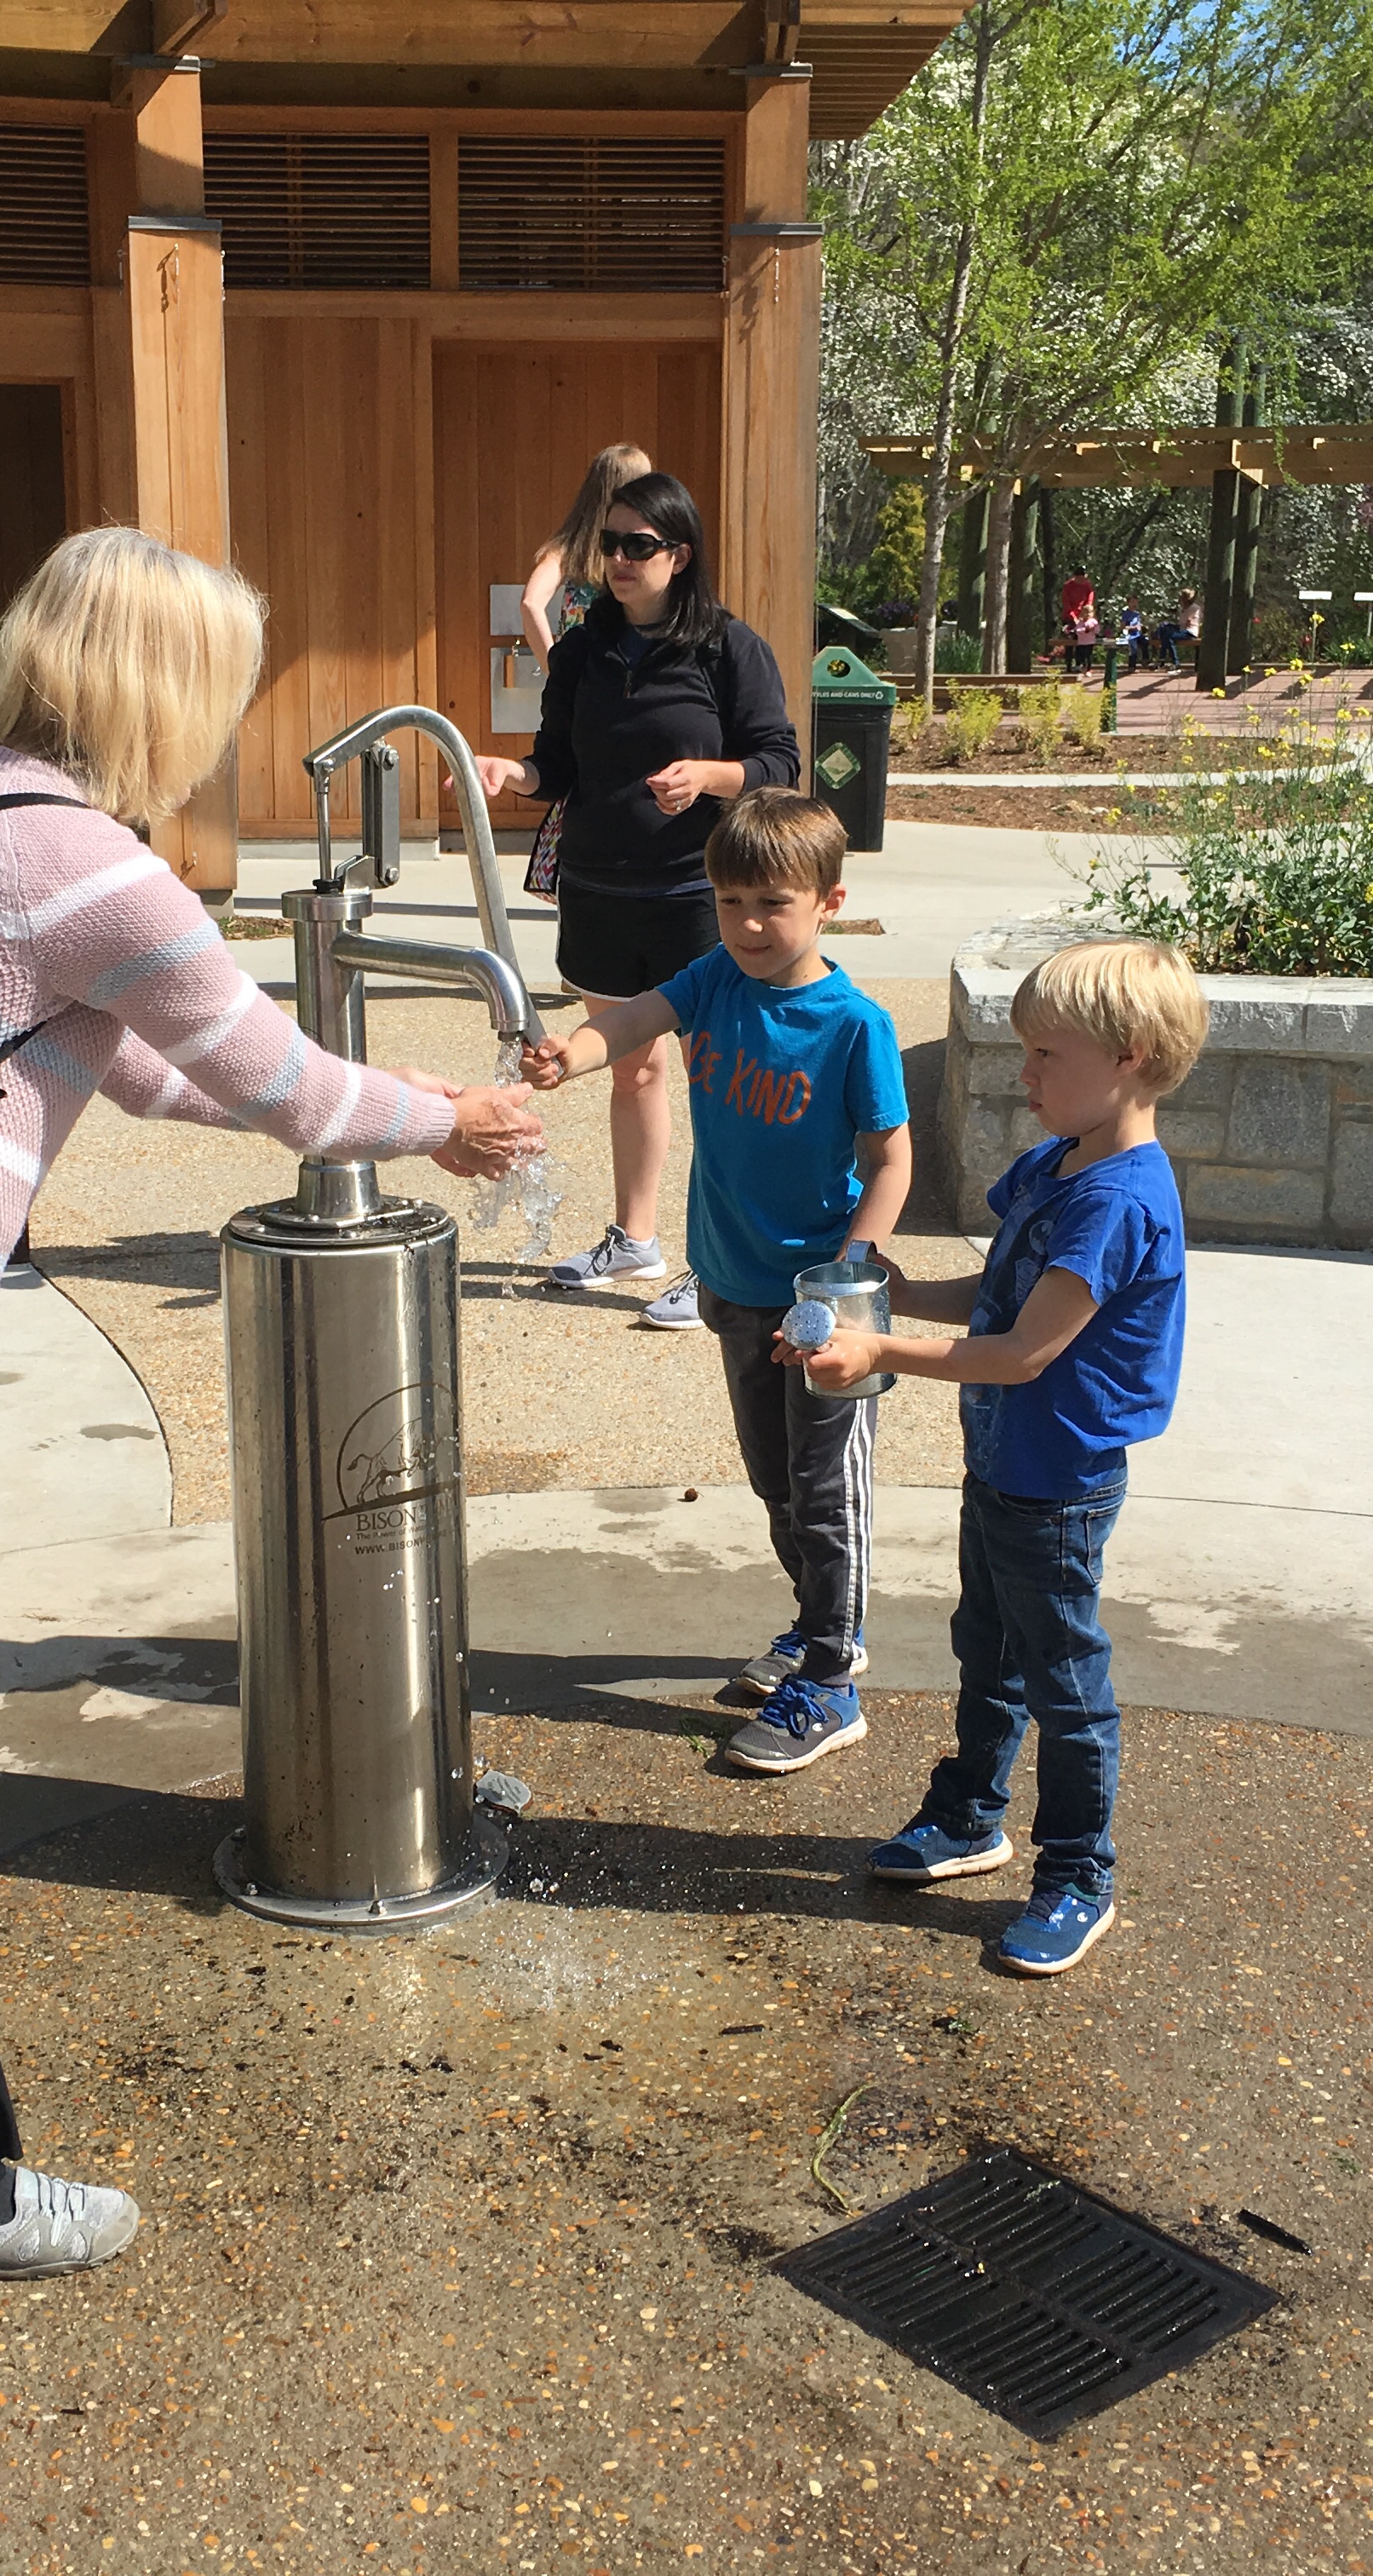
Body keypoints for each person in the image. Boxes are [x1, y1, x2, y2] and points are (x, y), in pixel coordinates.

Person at [0, 527, 541, 2287]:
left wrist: (358, 1101)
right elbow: (263, 1071)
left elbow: (139, 1065)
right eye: (217, 684)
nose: (222, 722)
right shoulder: (87, 863)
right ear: (157, 684)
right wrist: (443, 1113)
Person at [789, 937, 1204, 1979]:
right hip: (1006, 1468)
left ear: (1133, 1058)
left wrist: (880, 1350)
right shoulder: (1060, 1166)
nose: (1023, 1075)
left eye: (1044, 1055)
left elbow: (1023, 1353)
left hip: (1059, 1483)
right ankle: (971, 1816)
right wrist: (883, 1294)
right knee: (990, 1650)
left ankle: (1077, 1872)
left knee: (1065, 1681)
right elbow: (996, 1301)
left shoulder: (1118, 1201)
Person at [521, 786, 909, 1768]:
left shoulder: (852, 1024)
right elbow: (637, 1018)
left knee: (829, 1494)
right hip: (732, 1286)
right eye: (731, 900)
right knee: (775, 1482)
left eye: (772, 904)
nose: (747, 924)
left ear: (829, 901)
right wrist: (573, 1051)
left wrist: (852, 1271)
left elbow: (893, 1155)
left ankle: (832, 1675)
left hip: (824, 1310)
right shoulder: (714, 981)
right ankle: (813, 1623)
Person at [475, 471, 803, 1329]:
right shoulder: (585, 650)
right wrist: (520, 773)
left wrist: (709, 778)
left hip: (700, 898)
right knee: (633, 1068)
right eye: (610, 545)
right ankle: (635, 1239)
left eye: (638, 546)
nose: (618, 560)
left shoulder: (727, 649)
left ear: (679, 554)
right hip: (600, 891)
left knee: (719, 1080)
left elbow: (778, 761)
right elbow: (560, 761)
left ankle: (719, 1265)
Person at [520, 442, 654, 671]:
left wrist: (556, 671)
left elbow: (531, 603)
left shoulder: (570, 548)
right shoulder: (644, 548)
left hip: (585, 680)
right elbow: (530, 604)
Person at [1057, 571, 1100, 674]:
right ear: (1075, 577)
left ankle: (1080, 664)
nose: (1082, 580)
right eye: (1080, 578)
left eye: (1084, 577)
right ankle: (1069, 665)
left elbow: (1089, 601)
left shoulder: (1087, 585)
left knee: (1083, 642)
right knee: (1070, 641)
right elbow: (1066, 603)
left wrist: (1085, 616)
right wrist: (1074, 618)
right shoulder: (1068, 586)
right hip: (1070, 617)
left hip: (1084, 617)